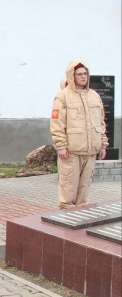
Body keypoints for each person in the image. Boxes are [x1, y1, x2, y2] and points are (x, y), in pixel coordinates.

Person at [50, 60, 107, 209]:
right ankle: (66, 222)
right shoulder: (62, 97)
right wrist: (61, 146)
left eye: (85, 74)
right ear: (72, 76)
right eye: (79, 74)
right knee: (68, 190)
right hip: (71, 153)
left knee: (84, 191)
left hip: (90, 151)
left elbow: (100, 122)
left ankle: (81, 220)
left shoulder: (94, 96)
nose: (83, 77)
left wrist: (102, 144)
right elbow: (57, 124)